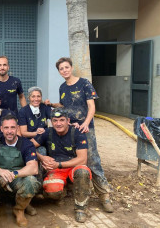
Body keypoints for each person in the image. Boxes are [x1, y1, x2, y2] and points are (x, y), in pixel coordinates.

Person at [44, 57, 114, 213]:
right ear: (59, 71)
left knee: (93, 160)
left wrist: (85, 124)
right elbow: (64, 106)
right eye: (61, 69)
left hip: (85, 128)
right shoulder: (63, 87)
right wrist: (52, 105)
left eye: (66, 67)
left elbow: (91, 107)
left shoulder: (84, 83)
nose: (64, 70)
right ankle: (74, 190)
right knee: (71, 158)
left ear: (71, 67)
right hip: (70, 128)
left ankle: (104, 195)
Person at [33, 108, 92, 223]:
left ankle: (81, 208)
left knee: (83, 172)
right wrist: (42, 157)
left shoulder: (77, 132)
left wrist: (59, 164)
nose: (58, 123)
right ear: (51, 121)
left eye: (62, 120)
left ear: (68, 120)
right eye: (55, 120)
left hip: (73, 166)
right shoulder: (48, 132)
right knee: (52, 192)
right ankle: (63, 191)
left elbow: (82, 159)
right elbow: (28, 146)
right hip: (56, 169)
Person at [0, 115, 39, 227]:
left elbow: (33, 168)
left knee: (31, 181)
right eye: (6, 128)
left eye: (12, 127)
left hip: (17, 179)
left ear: (17, 128)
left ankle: (19, 210)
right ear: (1, 129)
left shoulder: (26, 143)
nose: (9, 131)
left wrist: (14, 174)